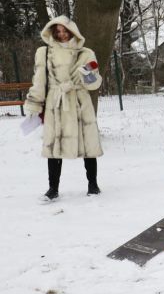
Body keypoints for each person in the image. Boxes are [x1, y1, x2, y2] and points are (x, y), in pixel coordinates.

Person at [23, 15, 104, 200]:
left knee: (88, 146)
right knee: (54, 148)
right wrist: (35, 103)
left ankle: (93, 184)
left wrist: (87, 76)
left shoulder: (86, 53)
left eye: (65, 31)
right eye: (58, 31)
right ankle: (53, 189)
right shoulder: (44, 52)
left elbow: (94, 84)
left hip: (79, 101)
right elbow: (39, 80)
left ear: (73, 31)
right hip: (56, 103)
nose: (62, 35)